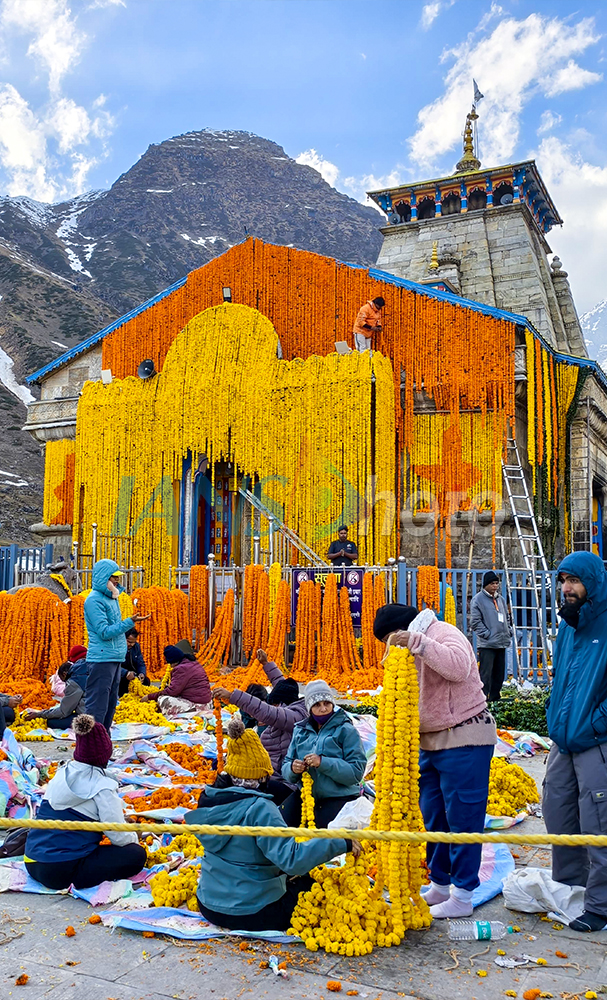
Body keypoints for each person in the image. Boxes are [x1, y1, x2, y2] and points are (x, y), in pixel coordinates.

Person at [373, 602, 496, 918]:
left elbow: (458, 667)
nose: (390, 647)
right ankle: (440, 884)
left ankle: (463, 895)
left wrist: (418, 643)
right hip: (428, 743)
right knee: (434, 817)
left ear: (402, 630)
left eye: (389, 638)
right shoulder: (405, 650)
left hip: (464, 738)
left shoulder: (443, 632)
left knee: (463, 818)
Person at [185, 714, 359, 931]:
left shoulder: (208, 801)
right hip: (251, 911)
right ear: (261, 777)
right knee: (311, 885)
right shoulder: (260, 809)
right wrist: (341, 842)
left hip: (208, 904)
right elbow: (292, 860)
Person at [543, 552, 607, 933]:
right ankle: (571, 890)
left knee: (598, 822)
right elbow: (561, 679)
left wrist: (596, 722)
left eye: (575, 581)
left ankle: (600, 906)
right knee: (558, 811)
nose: (567, 588)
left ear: (593, 583)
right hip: (562, 741)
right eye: (563, 580)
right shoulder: (568, 626)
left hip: (597, 742)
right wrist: (556, 714)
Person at [24, 714, 146, 889]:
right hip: (59, 870)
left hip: (32, 861)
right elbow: (118, 836)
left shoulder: (62, 772)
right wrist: (135, 835)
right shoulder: (102, 786)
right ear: (106, 754)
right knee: (135, 854)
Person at [213, 648, 307, 803]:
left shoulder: (295, 716)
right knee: (224, 768)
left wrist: (232, 697)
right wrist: (266, 664)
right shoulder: (289, 702)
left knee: (235, 786)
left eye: (274, 703)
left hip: (283, 782)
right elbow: (281, 686)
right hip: (270, 772)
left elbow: (268, 713)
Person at [281, 679, 367, 828]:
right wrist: (292, 769)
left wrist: (322, 762)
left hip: (338, 796)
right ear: (309, 708)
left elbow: (356, 772)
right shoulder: (300, 730)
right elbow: (286, 766)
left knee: (321, 837)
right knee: (279, 826)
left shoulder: (346, 730)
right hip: (306, 796)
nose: (323, 709)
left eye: (326, 703)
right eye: (317, 705)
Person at [84, 559, 149, 731]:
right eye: (114, 577)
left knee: (110, 706)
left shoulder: (112, 598)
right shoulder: (94, 600)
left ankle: (104, 743)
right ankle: (92, 746)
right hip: (102, 659)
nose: (117, 581)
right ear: (104, 577)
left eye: (118, 578)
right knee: (98, 707)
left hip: (114, 657)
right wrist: (130, 622)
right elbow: (104, 632)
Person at [470, 570, 513, 702]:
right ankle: (483, 699)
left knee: (499, 673)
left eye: (496, 583)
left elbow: (507, 617)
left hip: (501, 641)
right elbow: (475, 622)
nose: (495, 586)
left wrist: (508, 631)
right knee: (486, 673)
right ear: (485, 585)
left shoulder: (500, 599)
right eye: (492, 584)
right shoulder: (478, 600)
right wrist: (487, 635)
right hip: (487, 644)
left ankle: (495, 697)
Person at [143, 645, 212, 714]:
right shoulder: (193, 663)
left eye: (170, 664)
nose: (170, 666)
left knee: (163, 700)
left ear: (174, 662)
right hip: (207, 702)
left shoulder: (181, 669)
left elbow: (172, 691)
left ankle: (192, 711)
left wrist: (150, 696)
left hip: (197, 704)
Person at [23, 658, 86, 730]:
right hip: (99, 713)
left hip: (90, 716)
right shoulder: (85, 669)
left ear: (64, 674)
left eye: (64, 681)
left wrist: (39, 714)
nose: (65, 684)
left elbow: (63, 711)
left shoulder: (74, 683)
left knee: (52, 722)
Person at [118, 628, 149, 697]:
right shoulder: (116, 647)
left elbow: (140, 663)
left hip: (133, 675)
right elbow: (113, 666)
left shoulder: (136, 647)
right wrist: (126, 673)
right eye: (129, 642)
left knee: (146, 681)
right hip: (121, 675)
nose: (131, 645)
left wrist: (142, 673)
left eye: (133, 642)